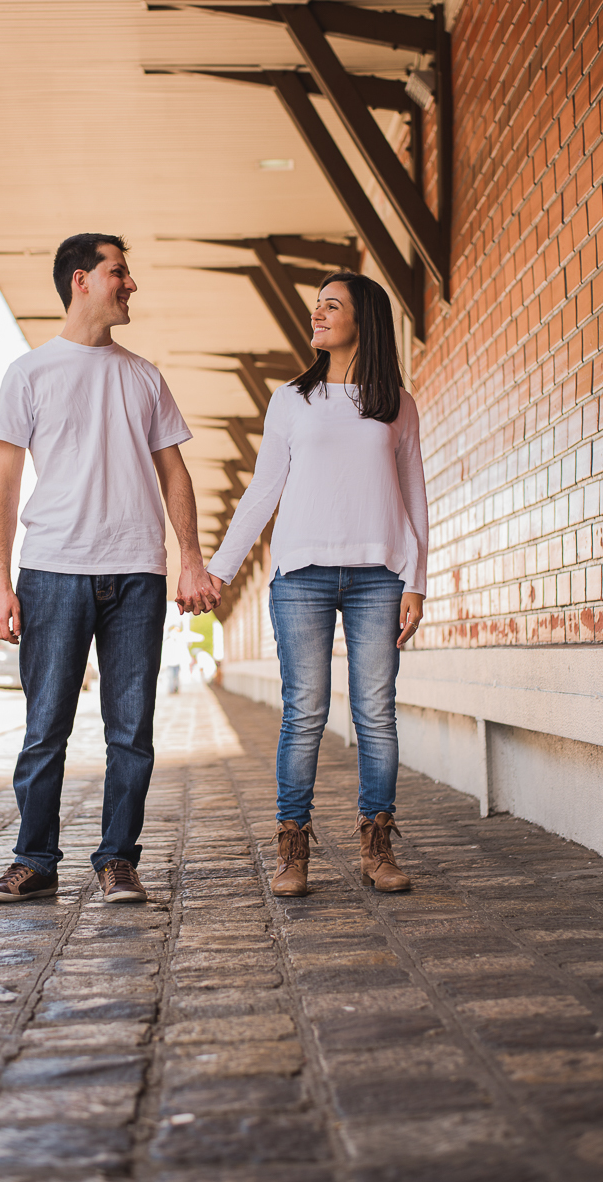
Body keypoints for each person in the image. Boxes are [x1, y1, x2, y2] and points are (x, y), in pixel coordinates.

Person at [0, 233, 220, 905]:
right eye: (119, 271)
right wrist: (0, 583)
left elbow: (174, 473)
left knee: (131, 732)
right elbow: (4, 484)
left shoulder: (144, 376)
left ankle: (118, 860)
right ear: (81, 280)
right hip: (52, 571)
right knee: (44, 730)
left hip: (137, 573)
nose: (130, 283)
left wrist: (191, 559)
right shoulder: (29, 373)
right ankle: (34, 860)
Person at [208, 271, 428, 897]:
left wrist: (416, 582)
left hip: (379, 576)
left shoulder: (397, 404)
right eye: (317, 306)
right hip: (300, 575)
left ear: (365, 319)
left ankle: (377, 845)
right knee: (304, 711)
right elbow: (262, 491)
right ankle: (293, 847)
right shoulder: (290, 400)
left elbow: (414, 497)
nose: (318, 314)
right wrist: (220, 570)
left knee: (375, 713)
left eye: (333, 305)